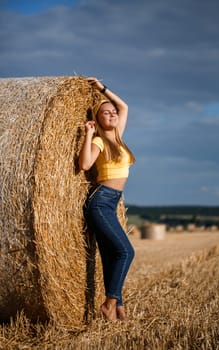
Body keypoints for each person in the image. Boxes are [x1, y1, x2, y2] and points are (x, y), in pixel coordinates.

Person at [78, 77, 135, 321]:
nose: (112, 114)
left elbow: (124, 107)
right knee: (126, 252)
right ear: (98, 119)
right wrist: (89, 134)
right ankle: (110, 303)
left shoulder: (118, 136)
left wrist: (101, 88)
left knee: (112, 254)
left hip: (112, 202)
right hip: (100, 203)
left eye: (112, 112)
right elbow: (85, 164)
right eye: (105, 113)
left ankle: (118, 308)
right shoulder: (101, 140)